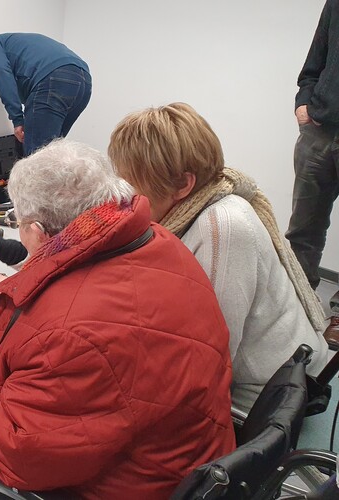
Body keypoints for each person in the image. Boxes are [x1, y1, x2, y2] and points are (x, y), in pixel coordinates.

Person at [0, 139, 235, 498]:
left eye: (19, 221)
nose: (18, 229)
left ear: (41, 233)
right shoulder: (163, 243)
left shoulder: (66, 336)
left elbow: (20, 453)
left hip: (132, 485)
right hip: (194, 458)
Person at [108, 102, 329, 413]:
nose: (127, 197)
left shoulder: (223, 227)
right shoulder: (201, 204)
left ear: (183, 184)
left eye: (134, 183)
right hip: (268, 372)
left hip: (268, 391)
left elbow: (210, 355)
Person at [285, 0, 339, 346]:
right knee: (303, 229)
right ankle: (295, 308)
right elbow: (313, 65)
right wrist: (303, 103)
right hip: (318, 134)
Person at [0, 33, 91, 156]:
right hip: (84, 80)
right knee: (52, 153)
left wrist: (17, 119)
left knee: (36, 158)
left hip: (54, 77)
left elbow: (0, 74)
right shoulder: (18, 46)